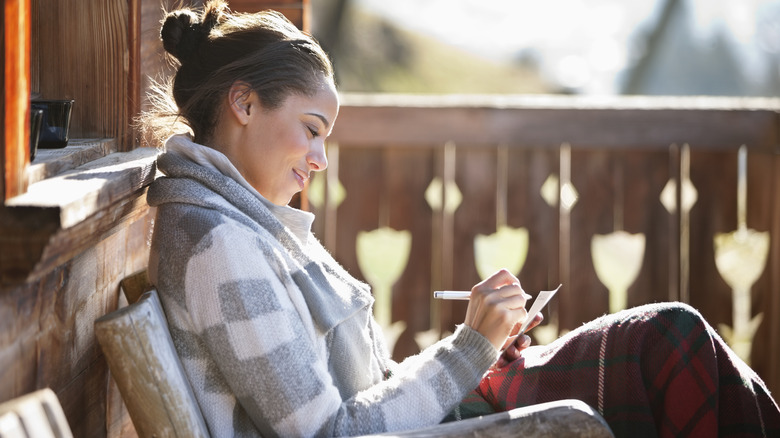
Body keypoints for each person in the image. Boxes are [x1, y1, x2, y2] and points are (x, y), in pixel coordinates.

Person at [144, 1, 780, 437]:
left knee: (672, 344)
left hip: (443, 417)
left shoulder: (239, 223)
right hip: (448, 427)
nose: (320, 160)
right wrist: (469, 349)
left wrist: (483, 345)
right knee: (670, 346)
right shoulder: (219, 246)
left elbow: (362, 394)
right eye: (312, 130)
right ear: (244, 103)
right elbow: (329, 433)